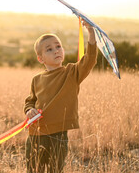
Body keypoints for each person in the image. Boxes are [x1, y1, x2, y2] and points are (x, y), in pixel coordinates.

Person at [24, 21, 97, 173]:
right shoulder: (37, 79)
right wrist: (29, 110)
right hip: (35, 134)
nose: (56, 51)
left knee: (55, 170)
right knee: (32, 170)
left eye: (58, 46)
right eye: (49, 49)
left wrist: (91, 33)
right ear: (40, 58)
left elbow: (89, 60)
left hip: (58, 135)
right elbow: (30, 101)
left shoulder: (72, 73)